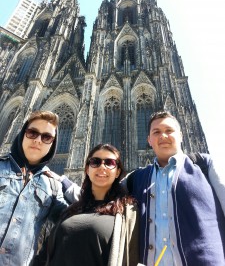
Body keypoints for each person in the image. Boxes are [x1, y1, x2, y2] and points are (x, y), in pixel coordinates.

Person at [124, 111, 225, 266]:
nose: (163, 136)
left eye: (169, 131)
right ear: (149, 140)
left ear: (181, 135)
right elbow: (97, 196)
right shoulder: (136, 178)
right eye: (156, 132)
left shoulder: (205, 165)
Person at [35, 143, 139, 266]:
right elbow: (44, 255)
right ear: (87, 169)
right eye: (95, 162)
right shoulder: (71, 209)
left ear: (118, 172)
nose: (102, 167)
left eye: (110, 163)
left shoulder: (128, 212)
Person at [0, 110, 69, 266]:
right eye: (32, 133)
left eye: (46, 137)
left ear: (53, 144)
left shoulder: (53, 186)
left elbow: (72, 221)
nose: (38, 140)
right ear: (23, 133)